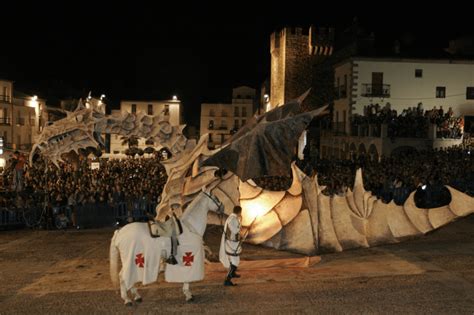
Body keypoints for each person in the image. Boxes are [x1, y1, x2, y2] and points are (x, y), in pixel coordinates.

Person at [219, 205, 242, 286]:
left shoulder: (232, 217)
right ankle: (227, 280)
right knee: (235, 261)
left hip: (232, 242)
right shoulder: (233, 219)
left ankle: (233, 273)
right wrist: (240, 227)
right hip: (231, 244)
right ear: (239, 212)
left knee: (236, 260)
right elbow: (235, 230)